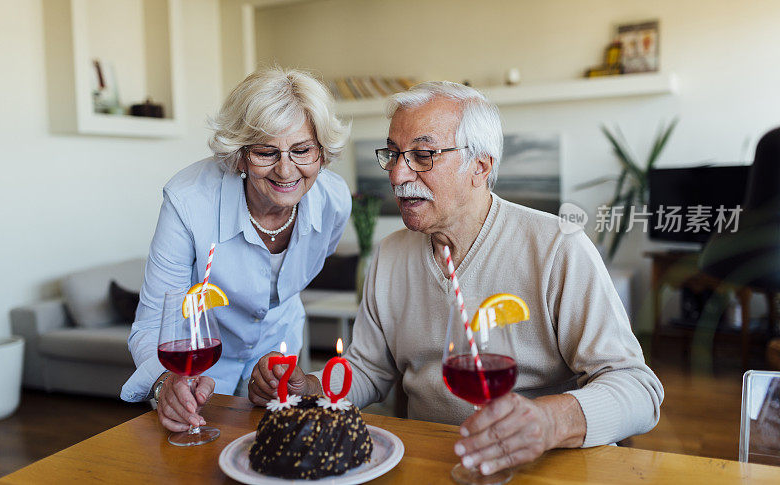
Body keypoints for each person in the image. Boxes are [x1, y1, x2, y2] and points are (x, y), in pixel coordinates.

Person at [248, 81, 664, 476]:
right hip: (431, 463)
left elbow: (638, 389)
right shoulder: (392, 254)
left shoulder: (558, 247)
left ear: (480, 166)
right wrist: (312, 388)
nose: (397, 175)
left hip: (542, 468)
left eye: (423, 156)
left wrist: (549, 421)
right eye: (392, 154)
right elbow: (369, 369)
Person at [120, 67, 352, 435]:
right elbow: (151, 323)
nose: (286, 169)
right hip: (201, 357)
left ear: (321, 153)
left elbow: (311, 263)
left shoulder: (334, 202)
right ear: (241, 155)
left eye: (302, 150)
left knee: (278, 449)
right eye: (266, 152)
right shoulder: (188, 201)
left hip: (281, 346)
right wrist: (165, 383)